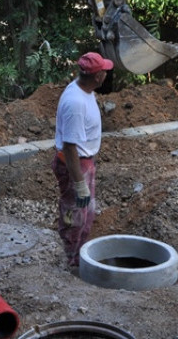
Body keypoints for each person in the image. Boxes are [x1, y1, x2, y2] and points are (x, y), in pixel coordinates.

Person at [51, 51, 114, 268]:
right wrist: (79, 184)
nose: (106, 74)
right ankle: (70, 260)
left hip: (84, 162)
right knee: (74, 215)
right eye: (104, 71)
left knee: (86, 211)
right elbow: (69, 148)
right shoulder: (75, 103)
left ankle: (80, 256)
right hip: (75, 165)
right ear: (97, 77)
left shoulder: (84, 89)